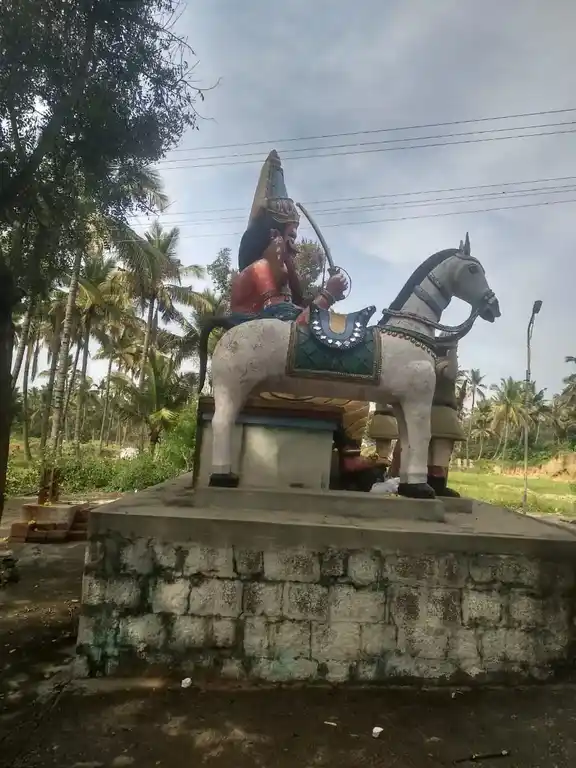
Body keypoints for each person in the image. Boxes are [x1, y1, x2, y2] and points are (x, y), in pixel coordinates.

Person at [230, 150, 347, 321]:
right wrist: (328, 295)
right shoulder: (261, 270)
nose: (294, 247)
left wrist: (328, 294)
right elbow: (289, 329)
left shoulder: (277, 276)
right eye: (291, 237)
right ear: (274, 235)